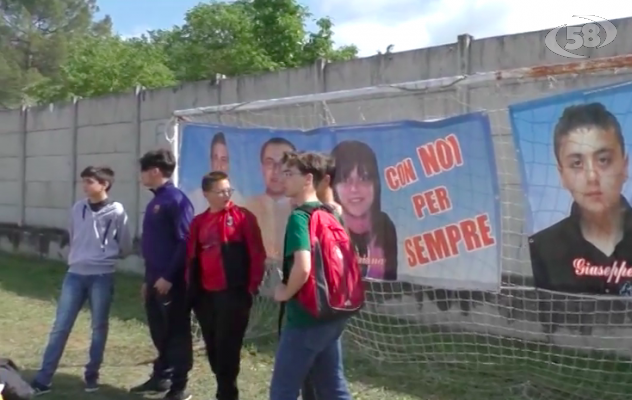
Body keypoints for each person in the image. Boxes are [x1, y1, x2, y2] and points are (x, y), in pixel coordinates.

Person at [31, 166, 133, 395]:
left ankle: (92, 376)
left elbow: (125, 244)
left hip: (101, 276)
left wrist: (106, 255)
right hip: (75, 274)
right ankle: (43, 379)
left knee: (98, 327)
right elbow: (74, 234)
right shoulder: (78, 208)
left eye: (90, 181)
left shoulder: (117, 211)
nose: (85, 186)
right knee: (60, 327)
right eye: (84, 181)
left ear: (104, 184)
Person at [270, 151, 358, 400]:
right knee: (332, 385)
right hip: (332, 312)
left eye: (289, 173)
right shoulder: (332, 212)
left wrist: (285, 291)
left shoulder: (299, 218)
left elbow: (304, 267)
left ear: (308, 179)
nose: (282, 178)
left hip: (306, 317)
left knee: (283, 389)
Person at [528, 102, 632, 295]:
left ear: (624, 166)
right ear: (562, 175)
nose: (592, 176)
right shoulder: (540, 249)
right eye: (576, 164)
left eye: (603, 160)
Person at [187, 170, 266, 400]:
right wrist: (191, 288)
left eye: (228, 190)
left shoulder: (243, 217)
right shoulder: (198, 222)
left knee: (227, 345)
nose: (225, 195)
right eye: (220, 191)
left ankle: (227, 392)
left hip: (233, 294)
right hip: (205, 295)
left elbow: (256, 253)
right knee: (212, 344)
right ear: (206, 194)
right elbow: (191, 257)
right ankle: (222, 383)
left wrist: (251, 286)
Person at [131, 149, 193, 400]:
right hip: (154, 280)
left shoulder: (176, 200)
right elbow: (154, 246)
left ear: (155, 171)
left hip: (172, 283)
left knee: (176, 332)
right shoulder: (156, 200)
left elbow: (185, 241)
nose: (141, 176)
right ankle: (161, 377)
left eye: (143, 171)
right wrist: (149, 280)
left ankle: (179, 387)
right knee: (160, 331)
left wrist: (168, 276)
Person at [331, 140, 398, 281]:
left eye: (364, 178)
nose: (354, 188)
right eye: (345, 179)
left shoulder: (385, 225)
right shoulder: (327, 226)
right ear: (334, 187)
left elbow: (390, 282)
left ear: (376, 184)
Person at [245, 137, 296, 260]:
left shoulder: (304, 210)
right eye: (269, 163)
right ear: (261, 168)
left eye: (283, 163)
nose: (276, 170)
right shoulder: (246, 210)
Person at [188, 132, 245, 214]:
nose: (219, 165)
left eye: (223, 159)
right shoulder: (195, 199)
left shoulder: (238, 201)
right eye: (215, 158)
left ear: (229, 164)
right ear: (210, 161)